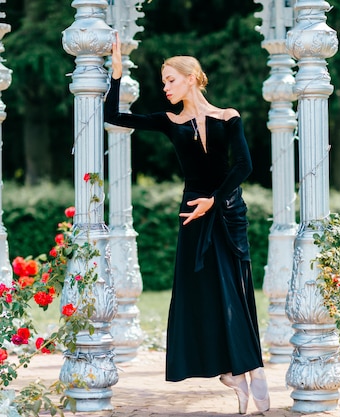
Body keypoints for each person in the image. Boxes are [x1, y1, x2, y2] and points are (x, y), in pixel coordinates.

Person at [104, 33, 270, 415]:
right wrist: (116, 75)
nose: (165, 88)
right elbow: (113, 117)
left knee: (236, 290)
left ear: (192, 77)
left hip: (226, 210)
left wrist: (214, 201)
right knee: (203, 294)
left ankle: (250, 368)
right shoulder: (168, 121)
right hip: (191, 215)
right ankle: (230, 371)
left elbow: (244, 166)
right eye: (163, 82)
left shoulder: (228, 116)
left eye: (170, 80)